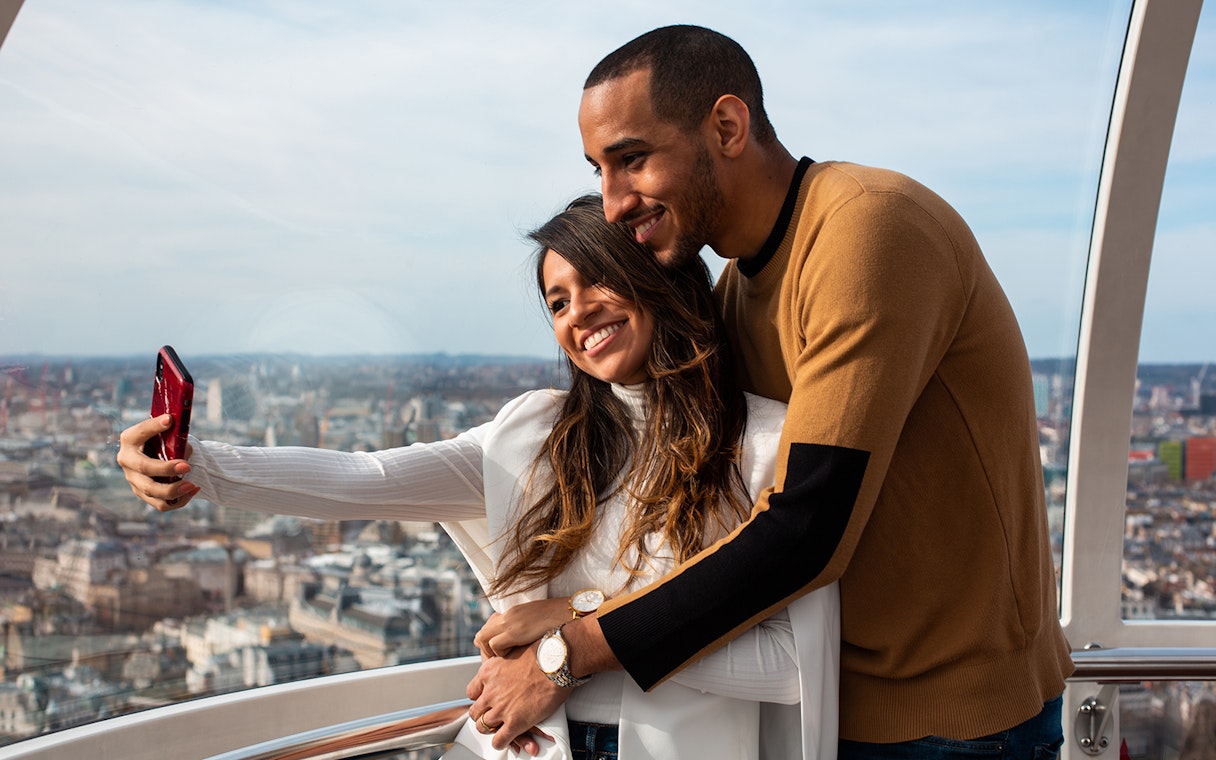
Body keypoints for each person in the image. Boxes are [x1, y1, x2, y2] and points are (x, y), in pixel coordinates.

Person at [469, 25, 1075, 759]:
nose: (613, 201)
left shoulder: (868, 229)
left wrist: (569, 651)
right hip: (822, 709)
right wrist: (576, 605)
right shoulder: (736, 293)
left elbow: (803, 528)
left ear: (727, 126)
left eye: (632, 160)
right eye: (599, 169)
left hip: (953, 723)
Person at [117, 195, 840, 760]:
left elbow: (789, 668)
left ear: (658, 278)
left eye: (599, 280)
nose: (578, 311)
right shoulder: (532, 437)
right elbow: (366, 479)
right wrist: (198, 467)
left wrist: (572, 626)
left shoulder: (767, 445)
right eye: (557, 300)